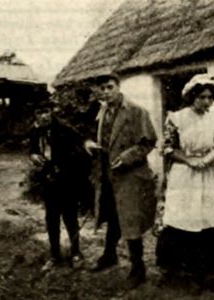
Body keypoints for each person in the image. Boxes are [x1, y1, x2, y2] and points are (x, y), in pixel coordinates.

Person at [155, 74, 214, 292]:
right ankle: (184, 273)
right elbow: (167, 148)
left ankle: (205, 272)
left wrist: (211, 157)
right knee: (185, 220)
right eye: (202, 97)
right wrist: (189, 160)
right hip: (184, 175)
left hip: (207, 176)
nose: (206, 102)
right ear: (192, 96)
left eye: (210, 98)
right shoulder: (176, 118)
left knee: (207, 220)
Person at [85, 73, 157, 288]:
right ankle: (109, 256)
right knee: (112, 215)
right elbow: (91, 134)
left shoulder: (136, 112)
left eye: (109, 87)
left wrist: (126, 158)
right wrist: (88, 143)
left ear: (118, 87)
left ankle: (138, 269)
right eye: (102, 89)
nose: (106, 92)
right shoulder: (101, 111)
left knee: (130, 220)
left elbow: (148, 142)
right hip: (107, 174)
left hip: (131, 175)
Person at [29, 99, 92, 270]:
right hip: (48, 182)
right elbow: (33, 150)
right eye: (39, 113)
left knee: (70, 218)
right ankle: (54, 255)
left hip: (67, 182)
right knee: (51, 219)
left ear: (52, 111)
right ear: (35, 115)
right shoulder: (35, 131)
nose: (43, 116)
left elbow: (82, 143)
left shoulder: (65, 129)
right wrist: (33, 156)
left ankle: (76, 253)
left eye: (46, 111)